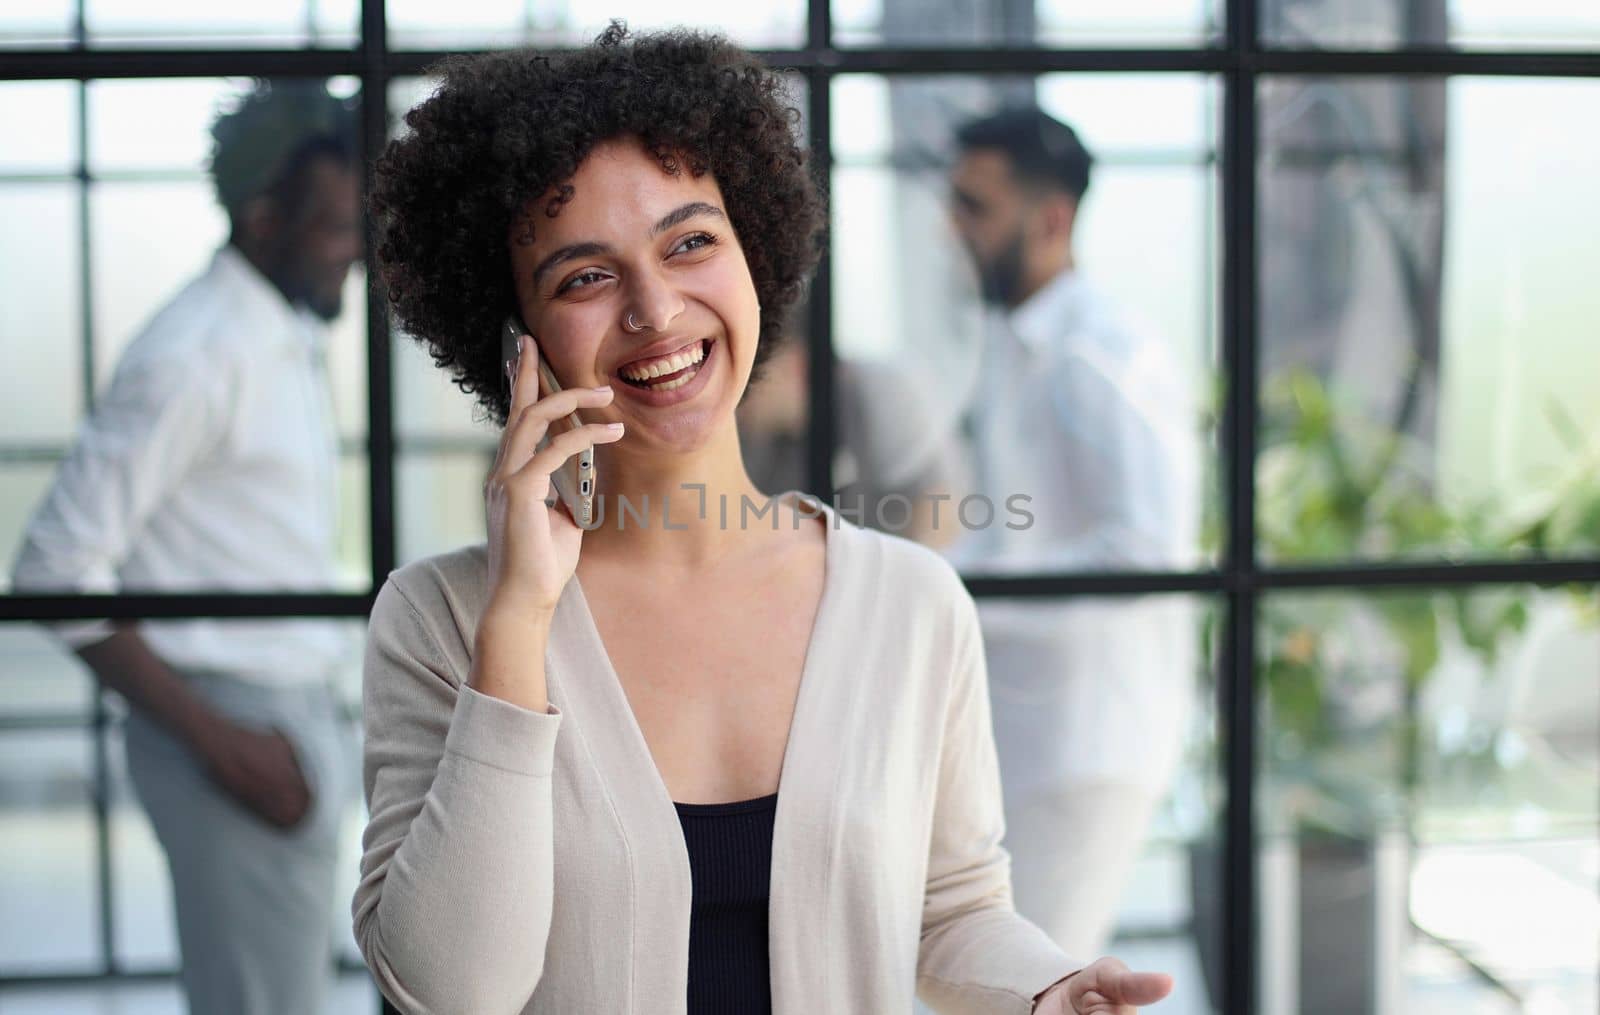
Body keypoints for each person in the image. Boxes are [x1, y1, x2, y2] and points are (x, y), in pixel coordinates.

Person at [354, 25, 1172, 1015]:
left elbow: (949, 910)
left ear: (757, 257)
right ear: (515, 336)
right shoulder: (445, 619)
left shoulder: (910, 601)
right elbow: (447, 991)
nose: (656, 310)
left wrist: (1047, 985)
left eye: (691, 240)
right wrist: (521, 619)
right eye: (585, 275)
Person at [12, 80, 363, 1014]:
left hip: (282, 719)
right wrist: (228, 747)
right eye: (334, 227)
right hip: (228, 727)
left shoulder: (277, 328)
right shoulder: (196, 352)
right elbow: (52, 570)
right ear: (263, 219)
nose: (354, 250)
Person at [945, 105, 1203, 958]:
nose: (955, 229)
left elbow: (1145, 554)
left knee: (1040, 986)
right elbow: (1020, 537)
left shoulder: (1100, 355)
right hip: (1031, 733)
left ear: (1051, 219)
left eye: (976, 208)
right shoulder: (1022, 347)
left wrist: (965, 597)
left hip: (1086, 745)